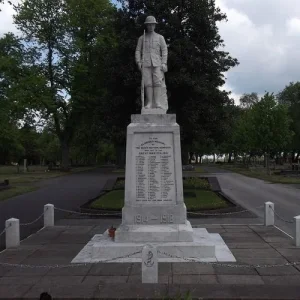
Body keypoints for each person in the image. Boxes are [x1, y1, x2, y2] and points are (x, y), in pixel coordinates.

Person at [135, 16, 168, 109]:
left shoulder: (160, 37)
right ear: (146, 25)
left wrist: (164, 63)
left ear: (154, 25)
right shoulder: (142, 38)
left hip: (157, 63)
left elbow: (164, 50)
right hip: (145, 63)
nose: (150, 26)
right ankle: (149, 103)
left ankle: (157, 102)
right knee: (148, 83)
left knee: (157, 82)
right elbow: (138, 50)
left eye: (152, 24)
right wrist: (138, 62)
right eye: (149, 25)